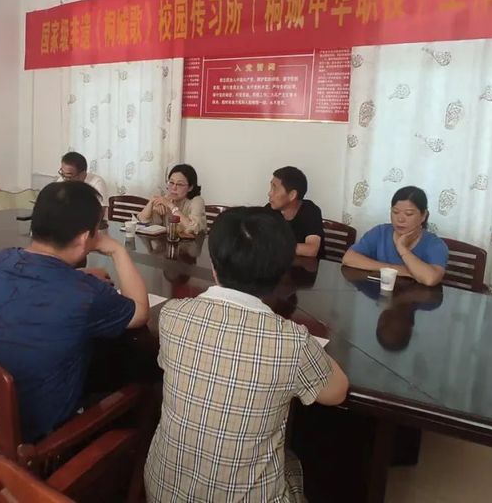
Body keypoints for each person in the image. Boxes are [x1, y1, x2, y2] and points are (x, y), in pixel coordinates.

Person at [145, 207, 349, 502]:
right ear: (281, 274)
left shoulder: (172, 314)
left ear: (214, 265)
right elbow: (337, 392)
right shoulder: (291, 341)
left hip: (162, 489)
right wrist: (305, 343)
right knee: (296, 463)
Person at [0, 181, 149, 442]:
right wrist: (117, 250)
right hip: (39, 439)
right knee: (139, 388)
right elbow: (140, 312)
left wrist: (81, 276)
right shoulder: (86, 294)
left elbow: (43, 280)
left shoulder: (2, 260)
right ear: (85, 237)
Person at [342, 186, 449, 286]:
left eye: (408, 214)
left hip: (417, 298)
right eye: (395, 212)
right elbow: (348, 258)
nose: (400, 219)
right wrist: (398, 270)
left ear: (423, 215)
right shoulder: (380, 232)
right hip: (380, 295)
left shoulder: (434, 244)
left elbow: (430, 279)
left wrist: (402, 248)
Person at [267, 166, 325, 258]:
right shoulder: (269, 209)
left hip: (309, 266)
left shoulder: (311, 211)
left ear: (292, 195)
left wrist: (274, 246)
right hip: (281, 263)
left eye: (275, 188)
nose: (269, 193)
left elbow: (311, 250)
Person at [138, 164, 207, 234]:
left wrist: (171, 206)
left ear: (190, 187)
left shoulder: (197, 201)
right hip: (169, 240)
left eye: (179, 184)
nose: (174, 187)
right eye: (171, 182)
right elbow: (143, 220)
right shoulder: (166, 199)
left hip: (194, 241)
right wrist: (152, 202)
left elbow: (194, 229)